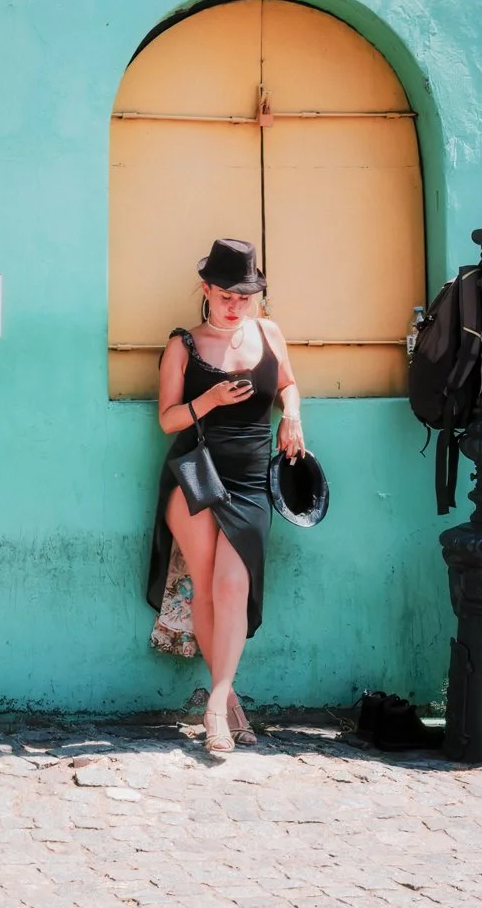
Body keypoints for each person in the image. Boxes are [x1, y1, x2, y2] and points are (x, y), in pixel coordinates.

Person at [143, 238, 306, 753]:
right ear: (206, 290)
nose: (236, 305)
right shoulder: (182, 345)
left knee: (233, 586)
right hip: (195, 473)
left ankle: (219, 699)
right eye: (226, 295)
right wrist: (208, 399)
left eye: (245, 296)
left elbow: (287, 385)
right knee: (209, 586)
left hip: (252, 479)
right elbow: (167, 418)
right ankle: (223, 706)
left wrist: (293, 417)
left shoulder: (268, 332)